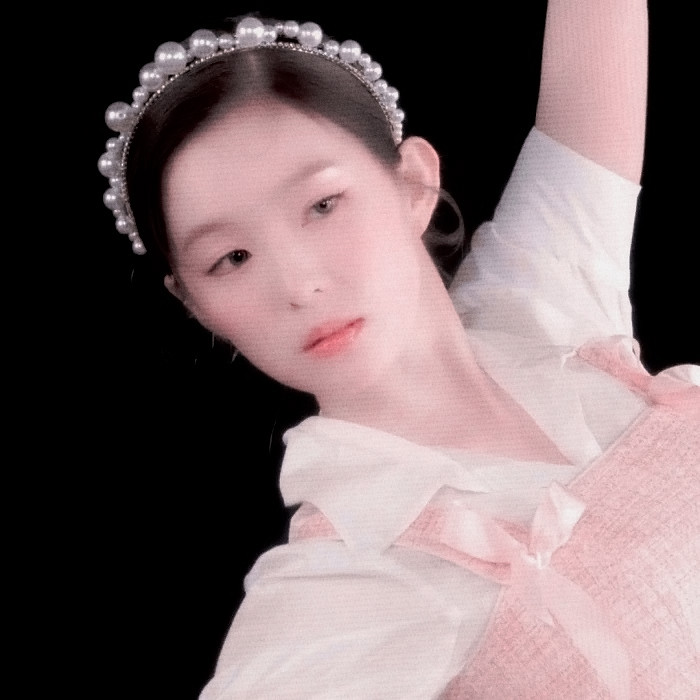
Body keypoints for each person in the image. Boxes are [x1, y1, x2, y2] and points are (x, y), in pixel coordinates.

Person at [98, 2, 699, 698]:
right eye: (232, 258)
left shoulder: (542, 311)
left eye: (323, 205)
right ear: (195, 304)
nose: (300, 284)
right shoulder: (339, 587)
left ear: (413, 182)